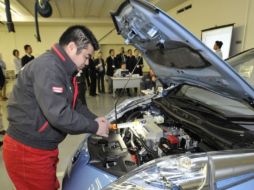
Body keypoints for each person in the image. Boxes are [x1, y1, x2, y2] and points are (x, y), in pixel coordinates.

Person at [3, 25, 110, 190]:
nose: (87, 63)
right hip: (28, 150)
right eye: (86, 57)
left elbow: (75, 104)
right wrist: (94, 127)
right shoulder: (49, 67)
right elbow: (59, 114)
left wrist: (94, 118)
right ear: (72, 47)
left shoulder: (64, 69)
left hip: (43, 148)